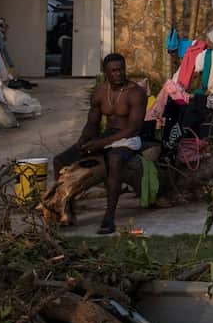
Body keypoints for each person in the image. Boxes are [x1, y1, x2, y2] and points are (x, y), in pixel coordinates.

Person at [52, 53, 147, 234]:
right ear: (106, 73)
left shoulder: (136, 93)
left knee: (114, 161)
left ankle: (109, 217)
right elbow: (92, 124)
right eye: (114, 71)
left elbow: (133, 129)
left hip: (128, 139)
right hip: (107, 136)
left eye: (121, 69)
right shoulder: (100, 93)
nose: (119, 74)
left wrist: (101, 143)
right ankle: (68, 210)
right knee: (59, 161)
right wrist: (83, 140)